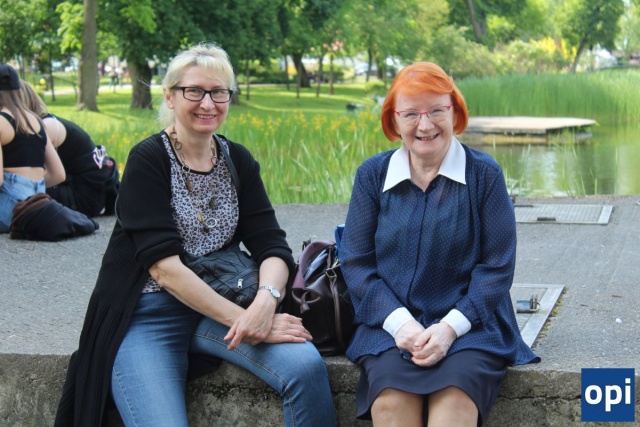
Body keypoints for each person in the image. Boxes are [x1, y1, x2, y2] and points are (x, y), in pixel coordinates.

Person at [54, 43, 336, 427]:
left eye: (219, 92)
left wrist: (265, 303)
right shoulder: (148, 160)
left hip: (222, 301)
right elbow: (164, 269)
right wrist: (249, 322)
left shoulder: (237, 159)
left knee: (305, 367)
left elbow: (271, 245)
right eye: (194, 91)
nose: (208, 103)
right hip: (148, 314)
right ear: (170, 97)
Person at [340, 62, 540, 427]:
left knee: (454, 405)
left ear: (454, 112)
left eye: (436, 110)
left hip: (471, 326)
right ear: (393, 119)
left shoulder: (485, 175)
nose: (425, 124)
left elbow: (497, 268)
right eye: (411, 114)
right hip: (390, 324)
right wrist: (401, 325)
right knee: (390, 405)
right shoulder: (371, 176)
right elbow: (356, 264)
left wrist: (449, 329)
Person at [19, 80, 119, 217]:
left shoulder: (46, 127)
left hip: (84, 196)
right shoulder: (44, 122)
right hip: (91, 191)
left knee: (18, 195)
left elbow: (35, 176)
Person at [0, 63, 65, 233]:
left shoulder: (1, 122)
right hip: (36, 206)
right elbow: (58, 174)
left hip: (7, 210)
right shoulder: (35, 121)